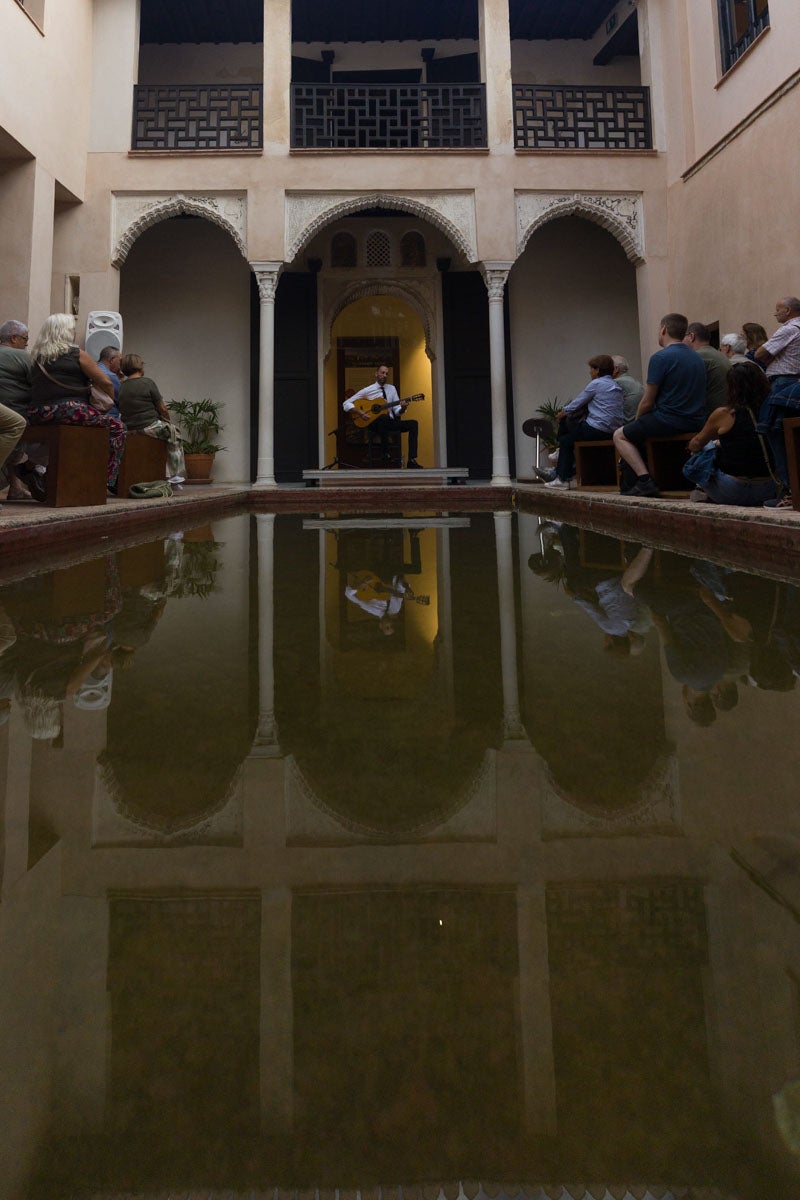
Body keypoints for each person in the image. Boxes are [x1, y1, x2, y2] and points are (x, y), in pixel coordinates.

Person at [613, 313, 706, 498]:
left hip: (668, 419)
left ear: (663, 329)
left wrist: (637, 422)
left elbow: (648, 400)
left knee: (620, 435)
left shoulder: (661, 358)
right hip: (696, 420)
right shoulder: (697, 358)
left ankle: (645, 480)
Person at [27, 313, 124, 491]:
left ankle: (34, 469)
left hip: (38, 413)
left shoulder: (36, 357)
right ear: (65, 332)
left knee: (60, 434)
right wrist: (107, 403)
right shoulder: (76, 353)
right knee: (117, 427)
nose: (73, 333)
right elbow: (106, 382)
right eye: (72, 330)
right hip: (69, 410)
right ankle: (107, 479)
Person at [683, 361, 777, 506]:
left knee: (706, 446)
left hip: (730, 490)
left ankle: (700, 488)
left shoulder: (725, 413)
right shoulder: (773, 411)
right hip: (767, 489)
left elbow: (696, 443)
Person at [539, 355, 623, 489]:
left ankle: (562, 479)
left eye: (591, 369)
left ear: (597, 370)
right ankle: (561, 455)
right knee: (572, 433)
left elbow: (577, 403)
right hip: (612, 431)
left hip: (597, 428)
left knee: (567, 439)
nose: (590, 372)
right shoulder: (615, 385)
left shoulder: (596, 384)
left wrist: (561, 413)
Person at [753, 298, 800, 503]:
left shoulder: (789, 328)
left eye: (777, 310)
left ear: (788, 310)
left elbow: (760, 353)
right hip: (795, 383)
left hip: (783, 383)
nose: (775, 314)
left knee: (775, 432)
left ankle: (789, 491)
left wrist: (769, 357)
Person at [118, 354, 185, 483]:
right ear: (140, 366)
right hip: (149, 427)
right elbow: (162, 408)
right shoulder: (148, 383)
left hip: (130, 429)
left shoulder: (122, 387)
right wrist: (167, 421)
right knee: (174, 433)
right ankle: (173, 474)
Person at [343, 364, 422, 469]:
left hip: (389, 422)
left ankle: (411, 460)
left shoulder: (392, 389)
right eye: (382, 373)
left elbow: (397, 411)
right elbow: (346, 403)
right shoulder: (368, 390)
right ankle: (385, 453)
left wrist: (402, 408)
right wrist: (360, 413)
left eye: (386, 373)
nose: (384, 375)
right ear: (376, 374)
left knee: (413, 424)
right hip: (373, 424)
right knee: (383, 418)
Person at [0, 320, 35, 501]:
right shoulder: (22, 356)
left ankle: (15, 487)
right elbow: (36, 385)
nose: (27, 343)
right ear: (13, 338)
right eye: (25, 338)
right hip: (16, 412)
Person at [684, 321, 731, 411]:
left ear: (691, 336)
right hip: (726, 411)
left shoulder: (697, 356)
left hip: (711, 414)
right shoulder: (719, 354)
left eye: (683, 337)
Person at [612, 355, 645, 421]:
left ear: (616, 369)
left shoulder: (616, 382)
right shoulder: (632, 380)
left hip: (628, 425)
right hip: (641, 422)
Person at [96, 344, 123, 417]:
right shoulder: (111, 376)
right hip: (109, 417)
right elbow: (121, 402)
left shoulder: (91, 370)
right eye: (120, 361)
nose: (120, 364)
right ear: (112, 360)